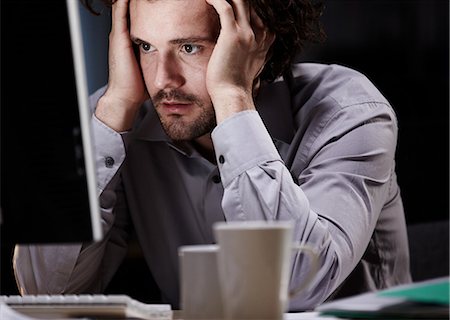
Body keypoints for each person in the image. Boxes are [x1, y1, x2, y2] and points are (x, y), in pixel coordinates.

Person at [13, 0, 412, 311]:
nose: (163, 79)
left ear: (256, 38)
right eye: (145, 46)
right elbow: (45, 292)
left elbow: (293, 289)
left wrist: (232, 99)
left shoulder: (351, 113)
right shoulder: (118, 117)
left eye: (189, 47)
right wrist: (115, 108)